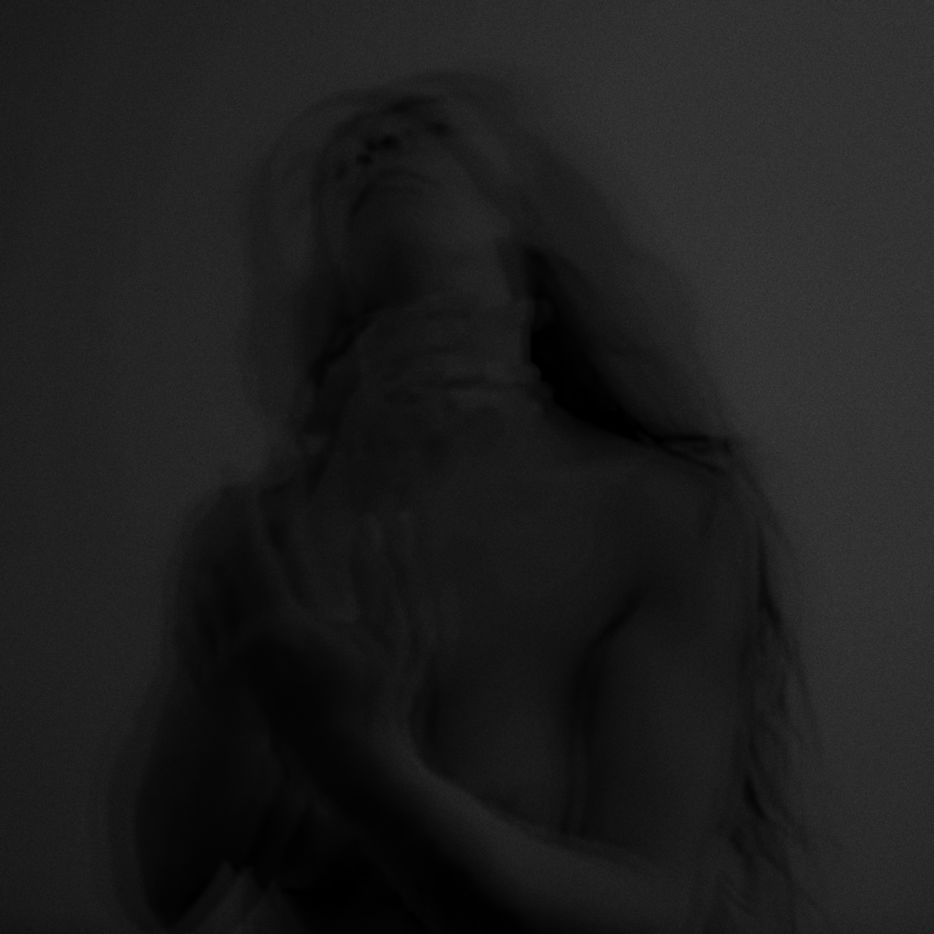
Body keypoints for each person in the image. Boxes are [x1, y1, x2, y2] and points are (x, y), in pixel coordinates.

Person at [128, 71, 825, 933]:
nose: (374, 147)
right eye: (341, 164)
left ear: (526, 242)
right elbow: (166, 880)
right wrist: (314, 545)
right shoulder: (257, 535)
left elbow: (653, 905)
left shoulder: (668, 517)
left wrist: (366, 766)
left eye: (428, 129)